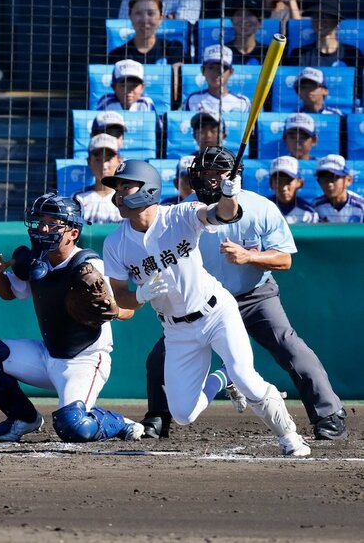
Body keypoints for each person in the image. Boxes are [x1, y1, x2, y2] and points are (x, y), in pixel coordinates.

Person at [101, 155, 311, 456]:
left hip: (216, 312)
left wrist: (229, 195)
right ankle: (221, 377)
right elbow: (119, 295)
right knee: (184, 414)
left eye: (126, 186)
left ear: (148, 189)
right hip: (176, 330)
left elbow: (221, 215)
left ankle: (289, 436)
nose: (118, 194)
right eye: (116, 187)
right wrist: (141, 295)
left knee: (247, 377)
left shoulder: (180, 214)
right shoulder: (115, 242)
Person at [137, 146, 347, 442]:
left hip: (254, 295)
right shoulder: (184, 210)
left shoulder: (260, 207)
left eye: (217, 173)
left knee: (289, 347)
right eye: (204, 172)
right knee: (159, 357)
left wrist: (251, 257)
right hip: (204, 302)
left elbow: (285, 259)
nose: (210, 179)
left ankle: (329, 414)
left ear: (232, 176)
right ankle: (157, 417)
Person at [0, 192, 144, 443]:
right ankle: (23, 418)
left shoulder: (89, 267)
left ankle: (116, 421)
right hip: (48, 355)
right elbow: (9, 293)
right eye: (42, 221)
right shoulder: (34, 261)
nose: (44, 227)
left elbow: (128, 311)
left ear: (73, 232)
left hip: (85, 359)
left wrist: (113, 311)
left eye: (53, 222)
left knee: (73, 427)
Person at [109, 0, 187, 65]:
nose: (145, 20)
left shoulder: (174, 50)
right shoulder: (117, 56)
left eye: (150, 13)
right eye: (138, 13)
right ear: (130, 17)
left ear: (161, 18)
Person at [284, 0, 364, 68]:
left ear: (337, 21)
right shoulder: (299, 54)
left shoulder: (352, 54)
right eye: (315, 16)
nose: (319, 21)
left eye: (325, 16)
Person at [183, 45, 251, 114]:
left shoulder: (242, 103)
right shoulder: (193, 100)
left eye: (223, 68)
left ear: (231, 72)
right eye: (211, 68)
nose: (217, 72)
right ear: (203, 70)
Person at [74, 134, 123, 224]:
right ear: (89, 162)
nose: (104, 166)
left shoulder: (126, 197)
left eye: (108, 159)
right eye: (98, 160)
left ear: (119, 160)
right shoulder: (78, 198)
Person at [312, 154, 364, 223]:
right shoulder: (316, 207)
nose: (329, 184)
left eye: (334, 177)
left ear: (348, 180)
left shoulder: (361, 207)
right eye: (323, 179)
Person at [268, 156, 319, 224]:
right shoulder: (262, 210)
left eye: (288, 182)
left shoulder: (309, 213)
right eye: (278, 182)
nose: (284, 188)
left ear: (300, 183)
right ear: (271, 183)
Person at [117, 0, 201, 24]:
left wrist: (141, 19)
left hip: (176, 52)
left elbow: (183, 28)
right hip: (137, 49)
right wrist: (169, 18)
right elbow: (122, 23)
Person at [226, 0, 267, 66]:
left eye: (249, 15)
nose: (244, 20)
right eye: (239, 14)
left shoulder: (269, 53)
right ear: (232, 20)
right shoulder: (221, 52)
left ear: (259, 22)